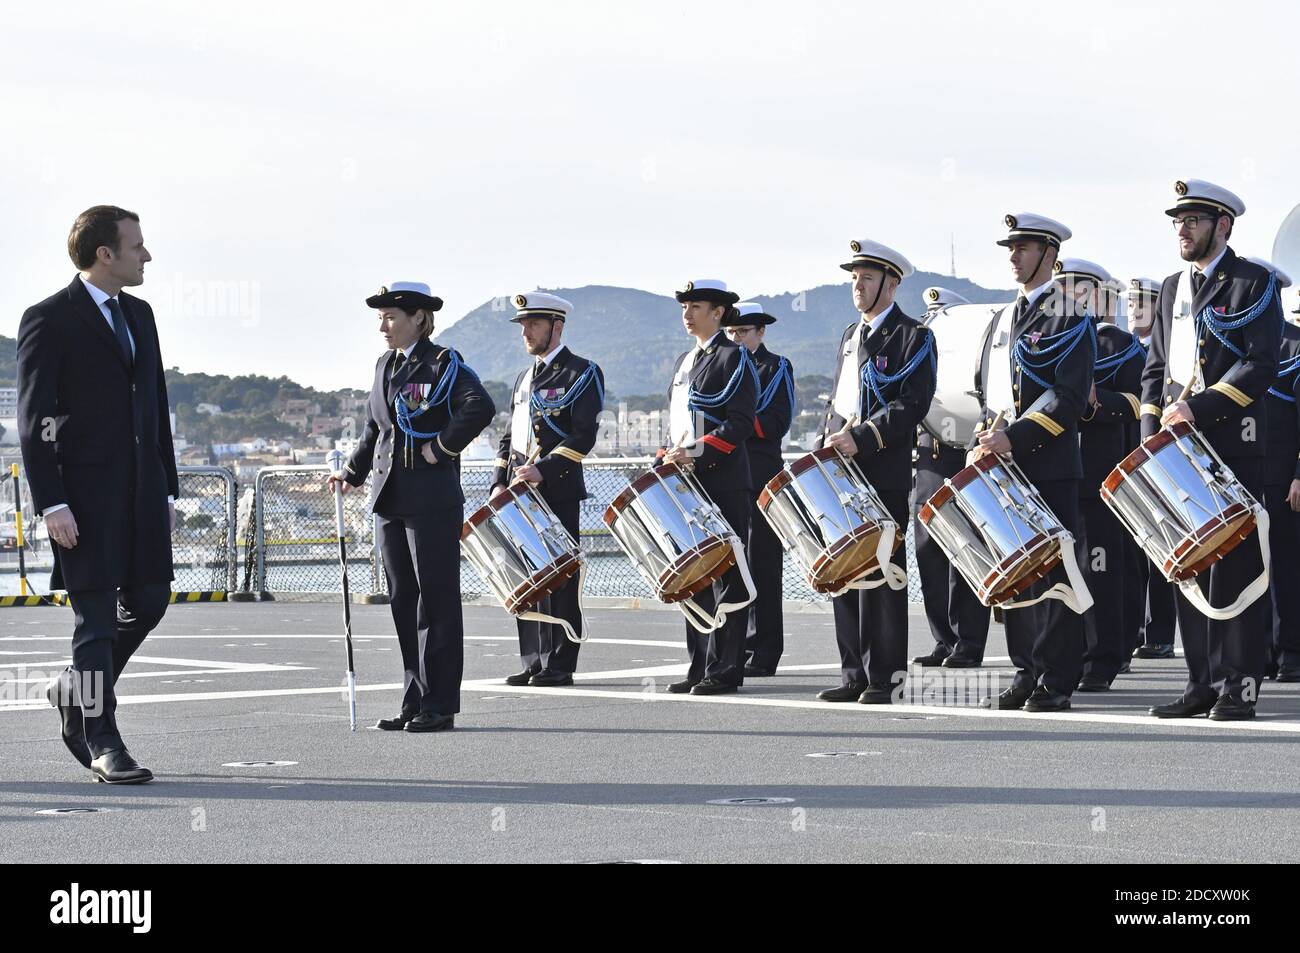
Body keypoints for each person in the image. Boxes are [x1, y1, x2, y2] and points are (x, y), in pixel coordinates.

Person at [19, 205, 177, 783]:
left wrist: (167, 488)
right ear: (104, 254)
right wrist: (51, 501)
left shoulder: (141, 314)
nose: (147, 255)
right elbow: (35, 420)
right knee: (96, 621)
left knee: (152, 599)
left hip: (142, 493)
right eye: (137, 246)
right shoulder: (49, 319)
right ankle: (101, 736)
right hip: (81, 500)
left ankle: (75, 689)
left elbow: (155, 405)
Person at [1140, 180, 1282, 721]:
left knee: (1234, 568)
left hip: (1231, 448)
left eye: (1193, 219)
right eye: (1178, 220)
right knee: (1188, 566)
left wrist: (1199, 409)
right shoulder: (1172, 287)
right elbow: (1154, 370)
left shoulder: (1254, 282)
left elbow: (1261, 363)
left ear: (1222, 225)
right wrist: (1151, 428)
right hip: (1175, 452)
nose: (1182, 228)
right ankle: (1200, 681)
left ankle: (1238, 686)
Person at [329, 282, 494, 732]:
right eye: (380, 318)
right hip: (390, 498)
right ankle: (414, 698)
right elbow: (375, 429)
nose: (383, 326)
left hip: (431, 500)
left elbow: (479, 407)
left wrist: (441, 448)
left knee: (436, 602)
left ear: (418, 319)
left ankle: (439, 704)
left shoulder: (442, 364)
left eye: (391, 318)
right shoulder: (385, 364)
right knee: (404, 600)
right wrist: (352, 473)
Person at [974, 214, 1092, 713]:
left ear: (1050, 253)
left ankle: (1058, 676)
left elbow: (1066, 397)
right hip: (1007, 466)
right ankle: (1025, 667)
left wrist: (1013, 438)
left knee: (1055, 571)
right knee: (1017, 571)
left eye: (1024, 247)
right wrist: (986, 435)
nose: (1014, 256)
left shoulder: (1070, 314)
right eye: (1011, 247)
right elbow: (989, 389)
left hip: (1049, 463)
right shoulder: (1003, 319)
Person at [816, 240, 936, 704]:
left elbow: (912, 404)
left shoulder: (914, 337)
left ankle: (885, 677)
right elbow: (837, 402)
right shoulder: (850, 336)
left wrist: (861, 438)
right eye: (853, 278)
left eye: (866, 278)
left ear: (892, 283)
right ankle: (853, 674)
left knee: (884, 574)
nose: (857, 286)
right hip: (841, 474)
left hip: (880, 471)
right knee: (844, 571)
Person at [491, 292, 604, 687]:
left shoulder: (582, 372)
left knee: (560, 577)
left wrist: (544, 469)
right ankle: (534, 659)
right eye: (523, 325)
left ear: (557, 326)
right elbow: (508, 439)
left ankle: (560, 661)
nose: (526, 331)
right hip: (518, 495)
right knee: (527, 576)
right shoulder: (524, 378)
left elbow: (583, 434)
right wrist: (498, 482)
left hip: (556, 489)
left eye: (533, 324)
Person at [661, 279, 757, 695]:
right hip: (689, 482)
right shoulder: (686, 361)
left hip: (723, 480)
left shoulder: (733, 356)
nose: (687, 314)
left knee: (726, 575)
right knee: (694, 575)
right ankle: (698, 664)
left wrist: (697, 452)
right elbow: (679, 421)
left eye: (695, 306)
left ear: (718, 312)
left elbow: (739, 422)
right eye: (684, 306)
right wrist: (668, 454)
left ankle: (725, 668)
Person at [1056, 258, 1144, 691]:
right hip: (1054, 475)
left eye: (1074, 288)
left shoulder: (1123, 346)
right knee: (1061, 572)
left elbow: (1139, 404)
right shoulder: (1047, 341)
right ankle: (1066, 657)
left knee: (1101, 571)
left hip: (1098, 475)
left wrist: (1096, 400)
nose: (1065, 295)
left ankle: (1103, 658)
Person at [912, 284, 990, 669]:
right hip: (928, 461)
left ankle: (969, 641)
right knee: (929, 554)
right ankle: (943, 638)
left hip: (960, 459)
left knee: (966, 553)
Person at [721, 302, 795, 677]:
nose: (736, 338)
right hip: (731, 475)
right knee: (735, 564)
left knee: (763, 565)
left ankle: (765, 649)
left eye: (744, 332)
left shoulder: (775, 367)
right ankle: (739, 646)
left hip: (763, 474)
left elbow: (776, 421)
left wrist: (736, 424)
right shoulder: (723, 366)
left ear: (761, 332)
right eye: (732, 332)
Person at [1126, 277, 1178, 660]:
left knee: (1159, 550)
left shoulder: (1164, 352)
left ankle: (1159, 633)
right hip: (1128, 462)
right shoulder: (1118, 348)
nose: (1133, 309)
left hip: (1159, 461)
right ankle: (1135, 630)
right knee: (1131, 556)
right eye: (1130, 302)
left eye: (1142, 303)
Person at [1256, 265, 1300, 683]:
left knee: (1286, 568)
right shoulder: (1239, 343)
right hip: (1245, 479)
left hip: (1285, 478)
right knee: (1256, 569)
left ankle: (1291, 651)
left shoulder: (1295, 345)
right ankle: (1264, 652)